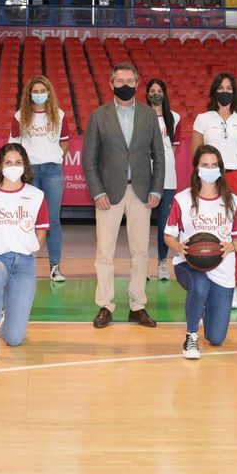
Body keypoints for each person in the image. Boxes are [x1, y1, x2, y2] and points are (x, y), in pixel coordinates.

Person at [83, 61, 165, 328]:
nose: (126, 86)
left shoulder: (149, 116)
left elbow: (159, 156)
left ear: (138, 83)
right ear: (111, 84)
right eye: (120, 81)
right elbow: (89, 159)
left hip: (141, 192)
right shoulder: (98, 115)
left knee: (140, 252)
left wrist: (156, 188)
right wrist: (97, 192)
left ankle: (137, 305)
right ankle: (105, 305)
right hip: (108, 193)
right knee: (104, 253)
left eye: (130, 81)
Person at [163, 145, 237, 359]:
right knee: (199, 285)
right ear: (196, 169)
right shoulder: (182, 200)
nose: (209, 169)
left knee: (216, 338)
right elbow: (168, 236)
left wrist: (230, 246)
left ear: (220, 169)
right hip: (188, 265)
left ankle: (202, 306)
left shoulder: (232, 201)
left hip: (221, 270)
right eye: (205, 165)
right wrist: (179, 247)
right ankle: (191, 336)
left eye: (214, 165)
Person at [0, 143, 49, 363]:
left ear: (25, 166)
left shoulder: (36, 196)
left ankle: (6, 322)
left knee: (15, 338)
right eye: (8, 162)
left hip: (24, 264)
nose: (13, 167)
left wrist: (32, 250)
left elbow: (41, 229)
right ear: (0, 166)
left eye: (17, 162)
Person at [9, 74, 70, 282]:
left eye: (42, 91)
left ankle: (55, 266)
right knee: (27, 219)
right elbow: (14, 146)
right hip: (30, 172)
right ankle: (24, 265)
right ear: (29, 94)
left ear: (49, 93)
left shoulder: (59, 115)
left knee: (52, 219)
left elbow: (65, 142)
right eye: (35, 91)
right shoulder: (20, 116)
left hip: (53, 171)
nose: (39, 94)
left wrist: (58, 157)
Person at [190, 72, 237, 202]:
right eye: (221, 88)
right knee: (211, 218)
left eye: (229, 88)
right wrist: (210, 171)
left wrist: (231, 168)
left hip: (235, 176)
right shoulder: (202, 118)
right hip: (209, 176)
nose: (225, 91)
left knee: (236, 218)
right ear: (214, 91)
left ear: (234, 92)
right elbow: (196, 153)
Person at [147, 78, 182, 282]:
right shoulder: (141, 115)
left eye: (159, 90)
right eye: (152, 90)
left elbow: (174, 149)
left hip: (167, 178)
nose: (156, 93)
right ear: (147, 93)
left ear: (165, 93)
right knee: (141, 225)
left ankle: (162, 263)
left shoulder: (174, 117)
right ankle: (141, 265)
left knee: (164, 225)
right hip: (145, 177)